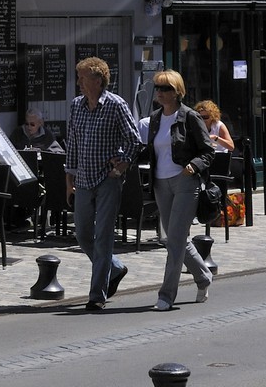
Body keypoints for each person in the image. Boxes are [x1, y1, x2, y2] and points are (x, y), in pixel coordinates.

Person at [65, 57, 140, 311]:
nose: (79, 83)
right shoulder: (76, 105)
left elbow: (134, 140)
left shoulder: (116, 105)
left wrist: (121, 166)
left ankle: (97, 294)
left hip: (108, 180)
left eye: (82, 78)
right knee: (83, 234)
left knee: (103, 237)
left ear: (98, 80)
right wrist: (69, 179)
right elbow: (73, 143)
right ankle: (116, 268)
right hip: (84, 179)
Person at [147, 70, 216, 311]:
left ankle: (166, 295)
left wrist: (193, 165)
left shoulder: (190, 116)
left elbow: (208, 152)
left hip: (185, 181)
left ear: (177, 92)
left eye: (165, 88)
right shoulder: (155, 118)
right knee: (174, 239)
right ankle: (203, 276)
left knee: (175, 240)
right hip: (160, 182)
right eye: (157, 87)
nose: (160, 92)